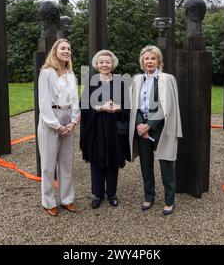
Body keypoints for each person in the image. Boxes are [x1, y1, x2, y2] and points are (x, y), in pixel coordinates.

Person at [129, 45, 182, 215]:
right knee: (146, 164)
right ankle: (149, 197)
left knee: (166, 163)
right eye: (146, 58)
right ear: (142, 62)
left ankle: (169, 199)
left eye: (153, 58)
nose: (149, 61)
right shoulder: (137, 79)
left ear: (158, 61)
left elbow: (167, 106)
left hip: (161, 126)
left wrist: (149, 125)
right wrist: (139, 125)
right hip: (141, 127)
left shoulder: (167, 79)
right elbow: (134, 105)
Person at [80, 50, 131, 209]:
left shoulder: (121, 83)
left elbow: (128, 108)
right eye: (101, 62)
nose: (104, 64)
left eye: (107, 62)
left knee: (114, 159)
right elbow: (84, 107)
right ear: (96, 64)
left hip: (115, 128)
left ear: (112, 64)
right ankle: (97, 194)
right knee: (96, 160)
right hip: (96, 127)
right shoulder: (91, 82)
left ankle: (112, 193)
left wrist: (118, 108)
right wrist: (99, 107)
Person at [37, 38, 80, 216]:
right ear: (55, 51)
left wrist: (73, 122)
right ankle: (48, 201)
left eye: (69, 49)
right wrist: (56, 125)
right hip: (51, 120)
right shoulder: (46, 73)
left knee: (66, 162)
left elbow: (75, 100)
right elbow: (44, 102)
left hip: (68, 118)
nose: (66, 51)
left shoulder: (71, 74)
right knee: (48, 164)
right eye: (63, 48)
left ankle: (67, 199)